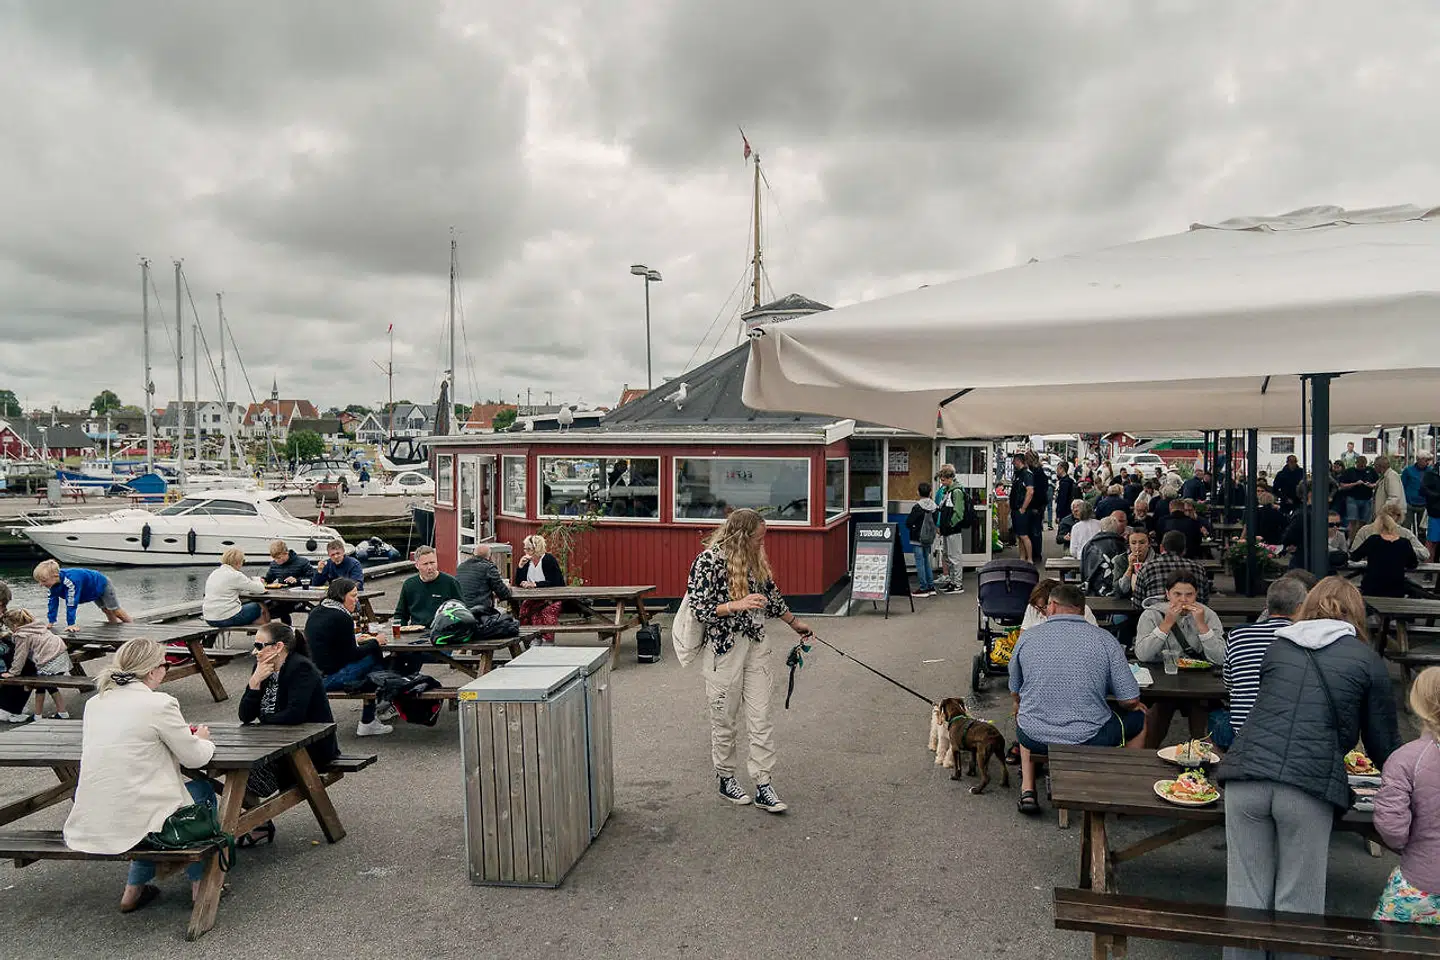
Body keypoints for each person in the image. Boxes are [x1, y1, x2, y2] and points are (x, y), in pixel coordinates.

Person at [1216, 577, 1400, 958]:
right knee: (1298, 905)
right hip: (1307, 783)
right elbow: (1383, 745)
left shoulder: (1279, 647)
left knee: (1245, 899)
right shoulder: (1366, 660)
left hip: (1245, 774)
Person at [62, 638, 217, 913]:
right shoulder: (159, 704)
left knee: (142, 807)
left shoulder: (96, 703)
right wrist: (204, 740)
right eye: (165, 665)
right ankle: (199, 884)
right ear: (153, 670)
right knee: (200, 791)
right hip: (141, 819)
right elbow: (195, 758)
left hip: (97, 818)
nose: (166, 670)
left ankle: (133, 889)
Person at [686, 508, 812, 814]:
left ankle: (763, 783)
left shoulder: (756, 561)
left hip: (756, 644)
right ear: (742, 537)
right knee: (724, 719)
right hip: (724, 650)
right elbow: (699, 608)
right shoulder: (708, 561)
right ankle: (726, 777)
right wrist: (736, 605)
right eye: (758, 538)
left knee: (761, 717)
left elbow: (772, 596)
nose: (761, 543)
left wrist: (795, 624)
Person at [1009, 583, 1147, 815]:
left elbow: (1015, 690)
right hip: (1089, 736)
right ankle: (1123, 787)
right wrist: (1132, 705)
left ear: (1052, 606)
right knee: (1139, 719)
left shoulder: (1027, 638)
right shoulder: (1105, 640)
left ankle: (1027, 789)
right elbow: (1130, 699)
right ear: (1082, 610)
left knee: (1025, 713)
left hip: (1034, 736)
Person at [239, 623, 341, 829]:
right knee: (239, 774)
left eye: (259, 646)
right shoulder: (261, 669)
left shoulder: (301, 668)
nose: (254, 652)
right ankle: (255, 825)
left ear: (278, 647)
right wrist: (255, 682)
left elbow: (294, 715)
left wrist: (265, 720)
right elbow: (245, 715)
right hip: (276, 744)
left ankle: (251, 825)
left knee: (245, 778)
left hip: (309, 748)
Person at [1372, 667, 1440, 925]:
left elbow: (1392, 828)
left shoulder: (1406, 758)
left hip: (1421, 882)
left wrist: (1408, 844)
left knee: (1387, 940)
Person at [305, 578, 391, 736]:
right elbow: (352, 655)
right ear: (341, 596)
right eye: (353, 595)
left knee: (372, 669)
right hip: (331, 678)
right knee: (376, 660)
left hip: (316, 674)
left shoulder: (317, 611)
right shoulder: (341, 617)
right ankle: (371, 718)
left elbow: (335, 645)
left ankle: (373, 712)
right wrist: (375, 642)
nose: (356, 600)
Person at [1, 609, 74, 720]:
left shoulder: (22, 635)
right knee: (49, 686)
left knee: (39, 685)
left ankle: (38, 716)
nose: (9, 629)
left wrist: (13, 672)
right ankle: (62, 712)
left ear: (15, 625)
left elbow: (20, 656)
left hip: (50, 662)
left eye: (8, 627)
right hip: (62, 659)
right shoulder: (37, 626)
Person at [34, 560, 131, 632]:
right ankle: (114, 631)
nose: (41, 584)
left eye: (43, 581)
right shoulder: (52, 585)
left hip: (101, 584)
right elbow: (52, 603)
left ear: (55, 576)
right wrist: (51, 622)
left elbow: (71, 603)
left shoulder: (71, 581)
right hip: (90, 590)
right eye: (39, 581)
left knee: (115, 610)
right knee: (106, 610)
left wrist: (71, 624)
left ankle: (132, 627)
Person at [1349, 505, 1420, 598]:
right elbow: (1413, 564)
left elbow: (1354, 557)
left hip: (1373, 588)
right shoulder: (1404, 543)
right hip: (1396, 589)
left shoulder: (1373, 540)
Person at [395, 545, 464, 630]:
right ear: (417, 565)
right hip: (416, 631)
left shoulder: (451, 582)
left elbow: (462, 612)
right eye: (425, 564)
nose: (430, 567)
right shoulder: (409, 584)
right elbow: (400, 614)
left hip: (443, 631)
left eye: (432, 563)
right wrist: (400, 631)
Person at [1133, 530, 1211, 604]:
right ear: (1184, 550)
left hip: (1156, 612)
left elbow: (1137, 604)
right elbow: (1204, 601)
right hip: (1192, 612)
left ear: (1161, 548)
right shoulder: (1199, 569)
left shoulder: (1146, 568)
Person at [513, 534, 565, 642]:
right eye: (525, 549)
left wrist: (535, 584)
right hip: (533, 598)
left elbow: (556, 582)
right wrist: (520, 567)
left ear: (537, 548)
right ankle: (532, 638)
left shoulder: (548, 560)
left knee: (546, 612)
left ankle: (547, 640)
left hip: (551, 598)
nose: (526, 552)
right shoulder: (527, 562)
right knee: (525, 611)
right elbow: (518, 583)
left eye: (529, 549)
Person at [202, 548, 268, 629]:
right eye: (243, 561)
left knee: (248, 608)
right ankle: (267, 633)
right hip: (224, 618)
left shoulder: (215, 573)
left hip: (209, 618)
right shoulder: (235, 575)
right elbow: (261, 589)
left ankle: (257, 632)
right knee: (259, 606)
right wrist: (259, 580)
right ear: (238, 562)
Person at [1352, 502, 1430, 563]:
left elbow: (1425, 553)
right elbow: (1354, 552)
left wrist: (1408, 550)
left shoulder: (1405, 533)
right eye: (1389, 514)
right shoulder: (1365, 531)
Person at [262, 539, 316, 625]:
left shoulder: (302, 562)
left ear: (286, 553)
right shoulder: (274, 565)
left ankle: (287, 629)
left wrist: (297, 580)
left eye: (279, 558)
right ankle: (270, 628)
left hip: (299, 598)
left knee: (279, 609)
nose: (276, 560)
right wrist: (263, 580)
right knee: (263, 607)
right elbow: (269, 579)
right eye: (274, 558)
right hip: (281, 597)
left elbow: (313, 579)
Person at [935, 465, 967, 593]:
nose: (941, 483)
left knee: (955, 557)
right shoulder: (948, 491)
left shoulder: (956, 492)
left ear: (949, 478)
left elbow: (959, 512)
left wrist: (950, 524)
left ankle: (957, 584)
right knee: (949, 556)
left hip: (953, 529)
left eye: (943, 480)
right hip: (948, 529)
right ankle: (953, 581)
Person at [456, 542, 515, 612]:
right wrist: (507, 587)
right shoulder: (489, 568)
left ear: (473, 554)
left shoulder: (461, 567)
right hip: (480, 612)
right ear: (489, 556)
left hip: (462, 610)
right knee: (505, 614)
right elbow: (504, 594)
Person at [1019, 579, 1098, 630]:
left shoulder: (1081, 610)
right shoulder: (1033, 608)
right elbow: (1023, 634)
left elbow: (1094, 635)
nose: (1041, 612)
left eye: (1044, 607)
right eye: (1038, 608)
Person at [1079, 515, 1128, 597]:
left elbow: (1084, 568)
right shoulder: (1123, 545)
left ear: (1101, 529)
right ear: (1117, 529)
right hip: (1118, 592)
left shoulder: (1090, 545)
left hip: (1094, 590)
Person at [904, 482, 939, 597]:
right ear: (930, 492)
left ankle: (923, 588)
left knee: (920, 563)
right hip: (928, 538)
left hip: (917, 538)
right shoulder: (934, 507)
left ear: (918, 492)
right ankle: (931, 587)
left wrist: (914, 527)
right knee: (926, 561)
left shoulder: (917, 507)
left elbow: (909, 522)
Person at [1340, 454, 1379, 538]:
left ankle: (1360, 539)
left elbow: (1377, 483)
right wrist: (1355, 484)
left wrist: (1371, 485)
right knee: (1353, 522)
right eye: (1360, 465)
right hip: (1352, 499)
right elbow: (1342, 485)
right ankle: (1351, 540)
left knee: (1364, 522)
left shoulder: (1370, 470)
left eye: (1364, 465)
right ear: (1356, 463)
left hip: (1367, 499)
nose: (1362, 467)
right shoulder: (1349, 471)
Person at [1008, 453, 1035, 564]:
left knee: (1024, 535)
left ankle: (1030, 559)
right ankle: (1022, 558)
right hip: (1016, 508)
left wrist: (1023, 508)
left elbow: (1030, 491)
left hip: (1021, 509)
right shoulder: (1018, 474)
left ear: (1019, 461)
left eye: (1014, 461)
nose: (1013, 463)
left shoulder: (1027, 474)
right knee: (1019, 535)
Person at [1112, 527, 1153, 601]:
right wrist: (1130, 568)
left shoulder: (1157, 560)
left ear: (1149, 544)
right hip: (1126, 603)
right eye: (1133, 543)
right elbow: (1118, 591)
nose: (1137, 547)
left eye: (1142, 543)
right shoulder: (1121, 560)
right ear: (1129, 545)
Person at [1403, 452, 1434, 537]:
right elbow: (1402, 486)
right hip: (1409, 504)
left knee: (1422, 529)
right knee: (1406, 527)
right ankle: (1407, 543)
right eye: (1426, 460)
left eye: (1428, 460)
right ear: (1419, 460)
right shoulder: (1408, 470)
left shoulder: (1430, 471)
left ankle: (1421, 544)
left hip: (1424, 504)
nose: (1427, 462)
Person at [1052, 462, 1075, 534]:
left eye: (1058, 469)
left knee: (1063, 533)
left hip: (1064, 512)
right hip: (1069, 511)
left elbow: (1062, 500)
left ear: (1062, 469)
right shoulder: (1070, 481)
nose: (1056, 471)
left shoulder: (1064, 483)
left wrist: (1059, 515)